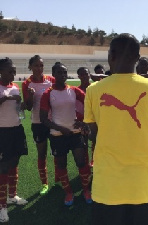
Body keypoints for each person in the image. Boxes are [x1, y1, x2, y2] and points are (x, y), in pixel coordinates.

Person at [84, 33, 148, 225]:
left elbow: (94, 134)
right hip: (145, 182)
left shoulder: (93, 90)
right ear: (137, 59)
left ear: (111, 56)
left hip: (107, 185)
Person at [40, 62, 91, 206]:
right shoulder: (48, 93)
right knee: (61, 165)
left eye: (65, 73)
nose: (63, 75)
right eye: (60, 73)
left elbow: (90, 104)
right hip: (57, 135)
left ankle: (86, 190)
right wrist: (61, 129)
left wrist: (83, 121)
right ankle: (69, 192)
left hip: (75, 133)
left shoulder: (74, 90)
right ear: (54, 74)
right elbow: (44, 118)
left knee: (81, 162)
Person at [22, 55, 57, 195]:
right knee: (41, 153)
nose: (39, 68)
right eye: (36, 65)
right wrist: (30, 96)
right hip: (37, 123)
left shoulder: (51, 80)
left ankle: (59, 180)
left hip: (54, 122)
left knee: (56, 152)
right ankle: (44, 183)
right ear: (30, 67)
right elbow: (29, 107)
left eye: (41, 65)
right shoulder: (27, 83)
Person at [0, 58, 28, 223]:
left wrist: (21, 104)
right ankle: (2, 206)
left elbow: (17, 109)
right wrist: (5, 99)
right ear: (1, 70)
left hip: (16, 129)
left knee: (14, 163)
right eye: (10, 71)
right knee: (3, 167)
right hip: (2, 132)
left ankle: (12, 196)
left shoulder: (15, 87)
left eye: (14, 71)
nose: (13, 74)